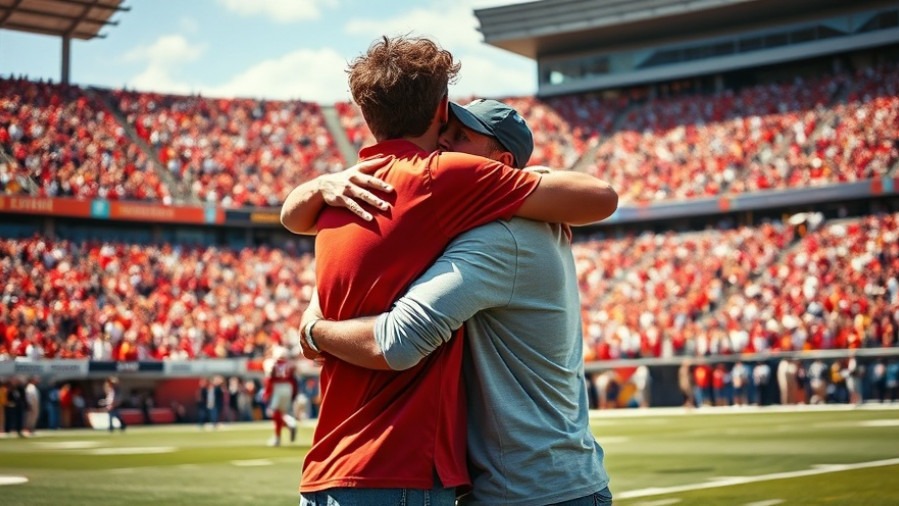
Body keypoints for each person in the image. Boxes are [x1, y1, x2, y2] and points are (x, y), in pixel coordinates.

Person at [280, 35, 617, 505]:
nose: (445, 143)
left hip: (529, 489)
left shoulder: (359, 197)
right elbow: (599, 197)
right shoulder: (441, 190)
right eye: (448, 131)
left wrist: (313, 329)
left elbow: (396, 340)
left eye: (460, 138)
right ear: (438, 109)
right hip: (457, 478)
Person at [262, 346, 298, 446]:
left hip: (277, 387)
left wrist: (267, 393)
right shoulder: (290, 364)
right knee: (281, 412)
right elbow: (293, 379)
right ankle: (287, 425)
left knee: (275, 413)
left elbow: (269, 379)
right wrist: (294, 393)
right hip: (288, 387)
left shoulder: (270, 363)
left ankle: (287, 424)